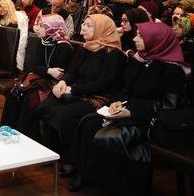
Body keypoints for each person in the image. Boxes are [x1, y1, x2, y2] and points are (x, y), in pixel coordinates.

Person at [69, 22, 188, 194]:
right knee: (88, 123)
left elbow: (169, 106)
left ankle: (112, 183)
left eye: (140, 36)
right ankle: (86, 173)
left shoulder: (173, 71)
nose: (134, 39)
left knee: (106, 134)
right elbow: (124, 89)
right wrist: (117, 102)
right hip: (126, 110)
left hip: (149, 119)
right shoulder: (139, 60)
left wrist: (131, 111)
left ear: (157, 41)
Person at [36, 14, 126, 175]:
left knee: (64, 114)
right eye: (84, 24)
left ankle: (73, 160)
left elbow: (103, 83)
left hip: (100, 97)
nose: (83, 28)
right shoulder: (87, 47)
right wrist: (63, 82)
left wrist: (73, 89)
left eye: (89, 25)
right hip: (79, 91)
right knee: (48, 105)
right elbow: (72, 71)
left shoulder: (114, 54)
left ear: (102, 29)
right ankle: (52, 151)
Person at [1, 13, 74, 138]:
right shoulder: (43, 41)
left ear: (52, 28)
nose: (37, 28)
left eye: (41, 26)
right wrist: (48, 70)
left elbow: (58, 75)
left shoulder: (64, 47)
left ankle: (24, 135)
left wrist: (45, 71)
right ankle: (7, 129)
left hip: (54, 84)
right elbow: (34, 66)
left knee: (29, 96)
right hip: (41, 78)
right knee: (12, 89)